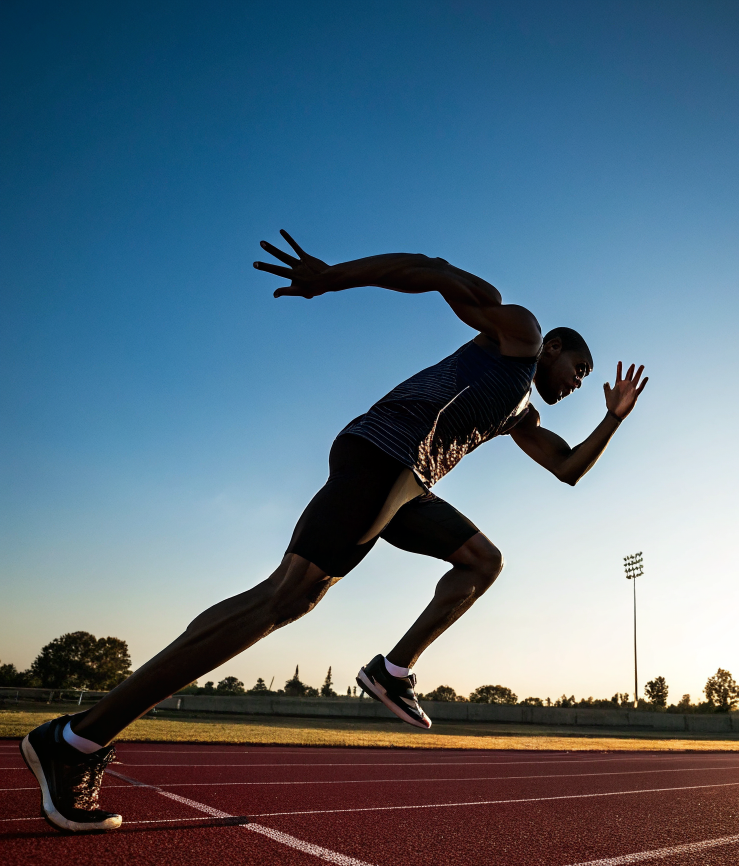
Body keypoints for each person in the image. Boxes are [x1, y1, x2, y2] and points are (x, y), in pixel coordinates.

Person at [20, 231, 649, 833]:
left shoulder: (521, 412)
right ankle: (78, 738)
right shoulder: (521, 333)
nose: (580, 382)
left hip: (406, 485)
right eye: (580, 367)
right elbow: (431, 270)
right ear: (556, 346)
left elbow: (566, 468)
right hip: (386, 452)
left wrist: (613, 420)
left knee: (482, 562)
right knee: (286, 596)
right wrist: (329, 279)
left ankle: (393, 671)